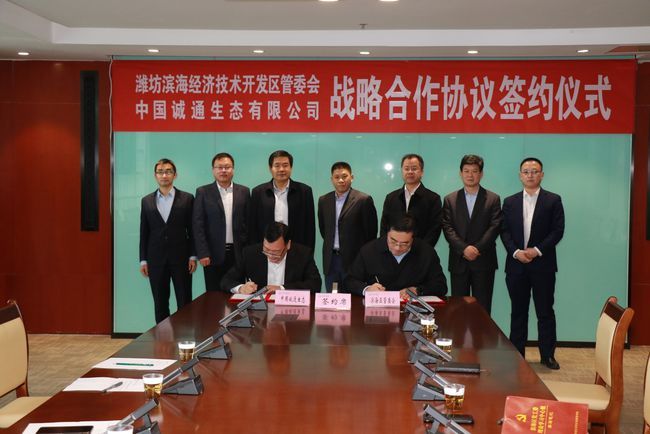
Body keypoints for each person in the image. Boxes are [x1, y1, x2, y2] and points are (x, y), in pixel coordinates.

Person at [501, 157, 565, 370]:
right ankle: (517, 354)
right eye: (526, 171)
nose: (530, 175)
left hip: (543, 265)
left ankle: (547, 355)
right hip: (516, 265)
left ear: (542, 175)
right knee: (518, 312)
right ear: (520, 175)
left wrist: (536, 251)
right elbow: (504, 231)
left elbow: (557, 231)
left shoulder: (553, 200)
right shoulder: (509, 202)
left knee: (545, 312)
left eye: (535, 171)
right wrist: (516, 252)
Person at [441, 154, 502, 314]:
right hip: (459, 260)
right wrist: (464, 248)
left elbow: (494, 227)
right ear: (460, 173)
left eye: (474, 171)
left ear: (481, 174)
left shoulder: (493, 199)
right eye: (466, 171)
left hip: (484, 260)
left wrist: (476, 248)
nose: (470, 175)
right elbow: (447, 227)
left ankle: (482, 333)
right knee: (458, 308)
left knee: (483, 308)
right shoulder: (450, 199)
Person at [139, 158, 196, 323]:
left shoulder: (187, 198)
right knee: (160, 302)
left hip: (181, 258)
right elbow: (144, 232)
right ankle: (162, 336)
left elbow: (192, 230)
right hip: (155, 259)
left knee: (184, 301)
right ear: (155, 175)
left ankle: (184, 336)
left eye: (168, 172)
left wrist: (193, 256)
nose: (164, 175)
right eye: (160, 172)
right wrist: (143, 260)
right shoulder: (146, 201)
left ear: (175, 175)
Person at [344, 215, 447, 297]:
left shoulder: (426, 252)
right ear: (387, 233)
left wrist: (417, 290)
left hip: (414, 310)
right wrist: (367, 289)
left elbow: (440, 285)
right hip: (379, 310)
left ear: (413, 239)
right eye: (393, 241)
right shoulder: (369, 250)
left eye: (404, 244)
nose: (397, 247)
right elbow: (350, 280)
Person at [193, 153, 250, 292]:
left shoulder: (244, 191)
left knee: (238, 293)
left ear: (233, 169)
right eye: (219, 167)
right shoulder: (203, 192)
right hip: (212, 255)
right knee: (213, 294)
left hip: (238, 254)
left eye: (227, 167)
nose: (223, 170)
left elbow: (248, 223)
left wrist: (248, 252)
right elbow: (198, 225)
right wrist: (203, 252)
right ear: (213, 170)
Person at [317, 161, 377, 292]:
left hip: (355, 260)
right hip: (331, 260)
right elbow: (324, 230)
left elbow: (370, 233)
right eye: (337, 177)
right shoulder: (324, 200)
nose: (341, 180)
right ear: (332, 179)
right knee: (333, 297)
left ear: (352, 177)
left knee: (355, 297)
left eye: (344, 176)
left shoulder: (363, 200)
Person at [221, 222, 321, 293]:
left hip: (289, 309)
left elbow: (315, 284)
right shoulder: (250, 253)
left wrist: (282, 289)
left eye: (276, 252)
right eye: (266, 250)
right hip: (259, 310)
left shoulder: (303, 254)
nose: (270, 256)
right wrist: (241, 288)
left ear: (288, 245)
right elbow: (226, 280)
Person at [249, 150, 315, 249]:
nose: (281, 169)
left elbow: (310, 227)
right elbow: (253, 226)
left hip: (296, 247)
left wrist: (308, 252)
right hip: (267, 248)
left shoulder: (304, 191)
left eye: (285, 165)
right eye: (277, 165)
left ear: (291, 167)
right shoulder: (258, 192)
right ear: (270, 168)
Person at [380, 154, 442, 248]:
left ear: (422, 172)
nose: (410, 172)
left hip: (421, 251)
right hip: (393, 250)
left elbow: (435, 229)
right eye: (406, 168)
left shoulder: (433, 199)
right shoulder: (391, 198)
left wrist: (423, 249)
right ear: (402, 171)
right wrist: (388, 247)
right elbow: (384, 226)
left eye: (414, 168)